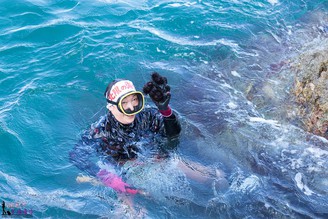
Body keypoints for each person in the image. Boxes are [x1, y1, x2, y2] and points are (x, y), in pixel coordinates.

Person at [70, 72, 182, 195]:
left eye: (134, 99)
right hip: (123, 173)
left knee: (202, 175)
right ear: (111, 107)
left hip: (156, 159)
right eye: (124, 103)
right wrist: (108, 178)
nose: (131, 107)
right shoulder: (101, 130)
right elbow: (77, 156)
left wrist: (166, 111)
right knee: (131, 211)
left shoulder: (147, 116)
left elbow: (173, 136)